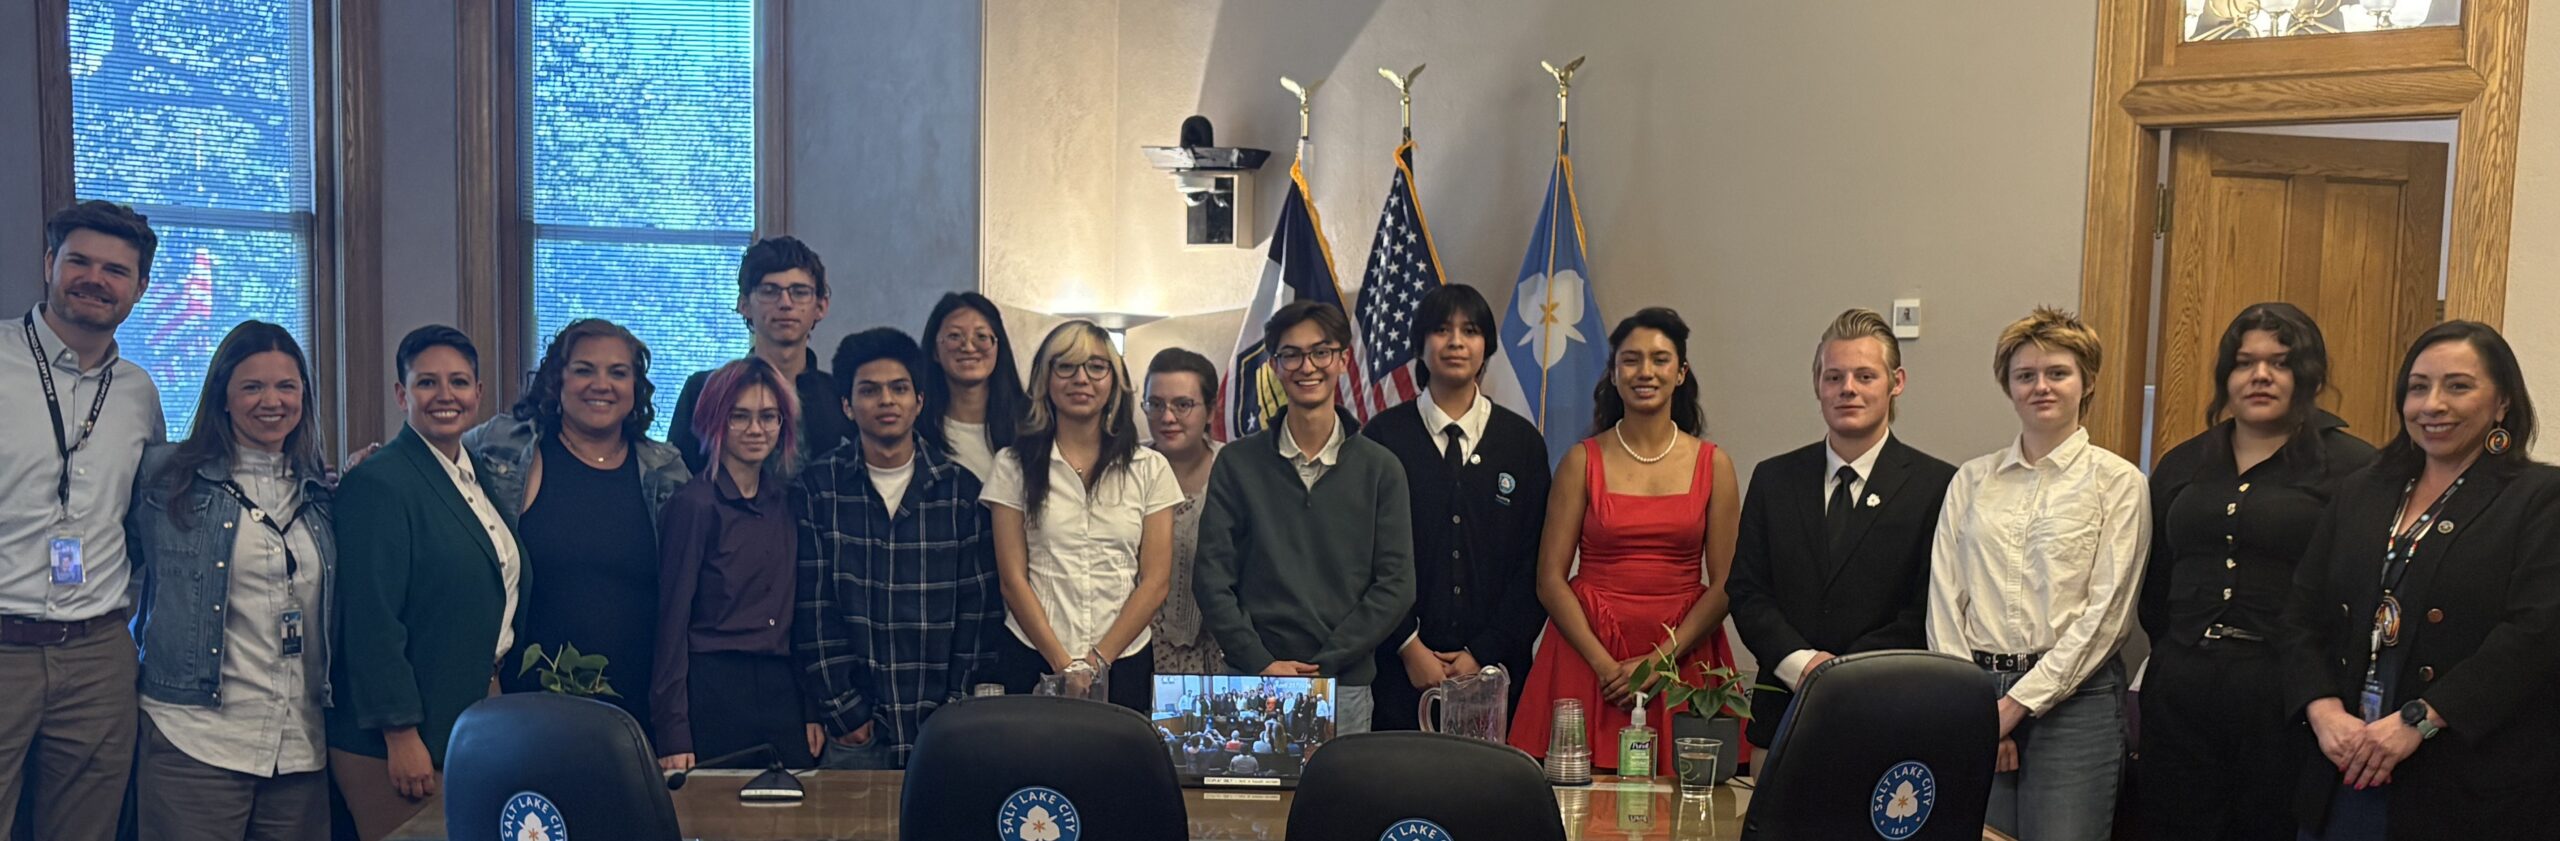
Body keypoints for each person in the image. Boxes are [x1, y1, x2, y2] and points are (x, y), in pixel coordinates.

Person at [2280, 321, 2560, 840]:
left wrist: (2420, 720)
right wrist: (2321, 711)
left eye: (2458, 386)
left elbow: (2536, 636)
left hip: (2468, 782)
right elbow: (2301, 615)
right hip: (2346, 763)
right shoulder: (2361, 491)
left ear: (2502, 403)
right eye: (2417, 386)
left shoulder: (2541, 499)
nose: (2432, 404)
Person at [2138, 304, 2375, 841]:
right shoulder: (2183, 462)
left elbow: (2362, 590)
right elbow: (2156, 580)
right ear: (2227, 376)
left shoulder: (2356, 468)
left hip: (2287, 691)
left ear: (2308, 375)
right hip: (2182, 683)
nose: (2261, 376)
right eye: (2245, 363)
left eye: (2281, 363)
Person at [1927, 306, 2148, 841]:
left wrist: (2017, 706)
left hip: (2077, 705)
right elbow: (1944, 600)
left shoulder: (2118, 483)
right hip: (1977, 691)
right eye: (2025, 375)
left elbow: (2108, 616)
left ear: (2086, 381)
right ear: (2009, 386)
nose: (2041, 387)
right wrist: (1981, 709)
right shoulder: (1971, 481)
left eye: (2058, 373)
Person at [1507, 307, 1745, 777]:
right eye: (1631, 360)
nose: (1645, 372)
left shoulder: (1715, 464)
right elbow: (1550, 580)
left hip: (1683, 657)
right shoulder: (1581, 460)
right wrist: (1604, 665)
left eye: (1660, 360)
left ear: (1681, 373)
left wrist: (1659, 662)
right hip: (1586, 653)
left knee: (1687, 806)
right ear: (1614, 374)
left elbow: (1727, 583)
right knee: (1573, 802)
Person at [128, 322, 335, 841]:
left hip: (298, 746)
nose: (272, 401)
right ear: (223, 395)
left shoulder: (320, 495)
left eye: (286, 386)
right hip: (196, 739)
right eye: (253, 387)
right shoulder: (165, 478)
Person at [0, 200, 162, 841]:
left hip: (99, 652)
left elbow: (150, 510)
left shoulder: (139, 392)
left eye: (116, 270)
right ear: (49, 265)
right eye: (80, 262)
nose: (96, 279)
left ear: (140, 287)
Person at [1726, 308, 1957, 750]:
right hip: (1783, 716)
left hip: (1887, 715)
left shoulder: (1939, 486)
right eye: (1834, 377)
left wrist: (1841, 674)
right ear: (1817, 385)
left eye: (1865, 376)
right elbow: (1748, 591)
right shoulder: (1774, 479)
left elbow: (1927, 607)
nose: (1847, 389)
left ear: (1897, 382)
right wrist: (1805, 665)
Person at [329, 326, 525, 841]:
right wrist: (400, 733)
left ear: (479, 393)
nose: (445, 396)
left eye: (459, 382)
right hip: (400, 737)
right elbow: (372, 619)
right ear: (401, 394)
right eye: (426, 383)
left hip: (470, 713)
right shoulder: (379, 482)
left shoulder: (474, 474)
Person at [1193, 300, 1415, 735]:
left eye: (1321, 352)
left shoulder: (1381, 468)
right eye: (1291, 354)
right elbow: (1212, 576)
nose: (1306, 366)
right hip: (1251, 680)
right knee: (1246, 804)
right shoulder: (1237, 463)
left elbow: (1396, 585)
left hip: (1344, 685)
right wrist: (1260, 661)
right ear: (1275, 366)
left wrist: (1325, 666)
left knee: (1341, 804)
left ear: (1342, 360)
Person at [467, 319, 688, 732]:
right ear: (558, 379)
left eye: (618, 372)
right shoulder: (504, 447)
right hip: (525, 700)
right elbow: (432, 465)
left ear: (635, 387)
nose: (601, 384)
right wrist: (366, 463)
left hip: (637, 707)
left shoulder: (667, 469)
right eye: (585, 369)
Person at [794, 328, 1001, 769]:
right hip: (854, 728)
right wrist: (843, 708)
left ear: (919, 401)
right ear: (847, 406)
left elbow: (977, 612)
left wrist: (957, 706)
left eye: (899, 388)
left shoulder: (960, 493)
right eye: (869, 391)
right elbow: (812, 609)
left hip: (943, 727)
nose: (886, 400)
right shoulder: (817, 488)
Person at [1361, 284, 1552, 730]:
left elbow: (1536, 562)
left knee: (1489, 796)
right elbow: (1361, 556)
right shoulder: (1382, 439)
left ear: (1486, 346)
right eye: (1441, 329)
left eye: (1470, 330)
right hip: (1396, 671)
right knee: (1400, 795)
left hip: (1497, 674)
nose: (1455, 342)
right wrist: (1408, 645)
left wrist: (1484, 652)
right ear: (1420, 345)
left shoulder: (1521, 442)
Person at [981, 321, 1183, 711]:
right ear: (1045, 379)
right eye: (1066, 367)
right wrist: (1064, 667)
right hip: (1033, 655)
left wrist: (1095, 663)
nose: (1081, 379)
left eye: (1096, 367)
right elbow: (1012, 580)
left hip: (1123, 659)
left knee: (1115, 771)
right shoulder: (1012, 465)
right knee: (1034, 771)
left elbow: (1156, 582)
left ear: (1114, 381)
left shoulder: (1149, 467)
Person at [652, 358, 825, 771]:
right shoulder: (693, 505)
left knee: (794, 825)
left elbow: (802, 612)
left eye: (768, 417)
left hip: (781, 686)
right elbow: (671, 623)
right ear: (715, 419)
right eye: (740, 416)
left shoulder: (788, 501)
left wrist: (812, 706)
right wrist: (672, 728)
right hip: (714, 687)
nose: (756, 429)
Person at [669, 236, 848, 473]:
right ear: (744, 304)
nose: (785, 303)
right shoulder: (703, 390)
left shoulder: (840, 395)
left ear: (821, 306)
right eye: (769, 291)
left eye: (799, 291)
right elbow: (678, 485)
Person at [1143, 348, 1226, 675]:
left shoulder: (1237, 471)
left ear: (1210, 411)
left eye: (1183, 404)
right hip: (1136, 653)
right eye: (1156, 404)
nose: (1167, 417)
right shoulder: (1125, 468)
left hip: (1221, 658)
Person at [918, 291, 1028, 481]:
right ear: (935, 350)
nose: (968, 347)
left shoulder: (1031, 423)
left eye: (982, 336)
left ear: (998, 347)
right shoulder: (916, 428)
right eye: (954, 336)